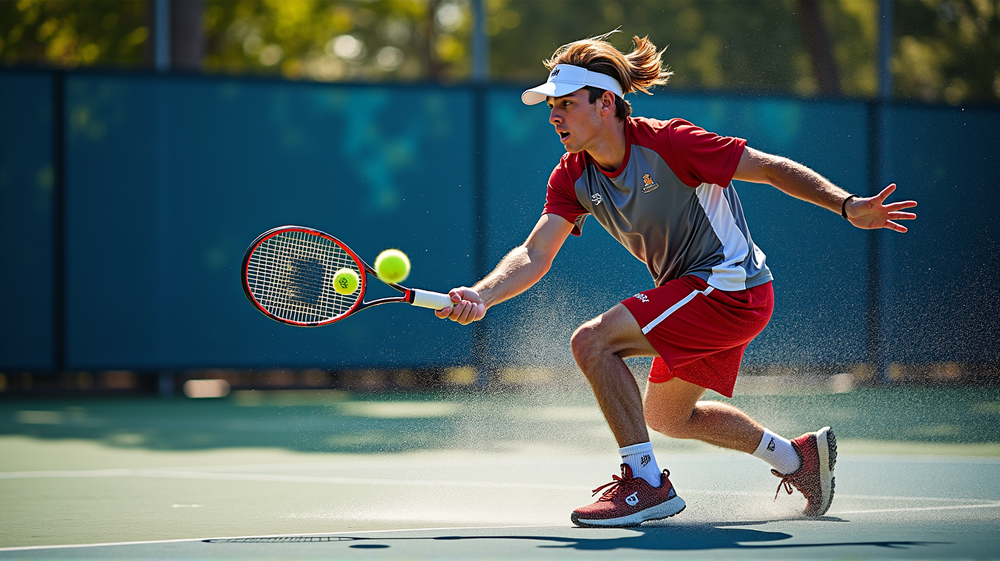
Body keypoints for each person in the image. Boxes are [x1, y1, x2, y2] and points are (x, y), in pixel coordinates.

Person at [435, 31, 917, 528]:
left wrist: (846, 204)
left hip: (730, 288)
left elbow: (770, 168)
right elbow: (535, 253)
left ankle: (644, 483)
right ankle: (799, 461)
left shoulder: (671, 142)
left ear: (606, 104)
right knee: (668, 417)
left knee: (592, 343)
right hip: (704, 295)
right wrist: (483, 293)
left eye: (566, 103)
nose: (554, 115)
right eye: (551, 105)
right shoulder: (572, 175)